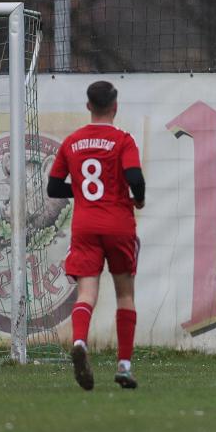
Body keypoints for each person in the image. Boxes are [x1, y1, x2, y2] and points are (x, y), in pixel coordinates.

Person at [47, 81, 146, 391]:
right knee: (125, 294)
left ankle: (79, 341)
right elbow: (135, 179)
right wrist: (138, 198)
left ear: (88, 106)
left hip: (85, 225)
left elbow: (53, 188)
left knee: (86, 293)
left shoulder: (72, 142)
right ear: (115, 107)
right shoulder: (123, 140)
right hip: (118, 224)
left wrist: (78, 189)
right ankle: (124, 366)